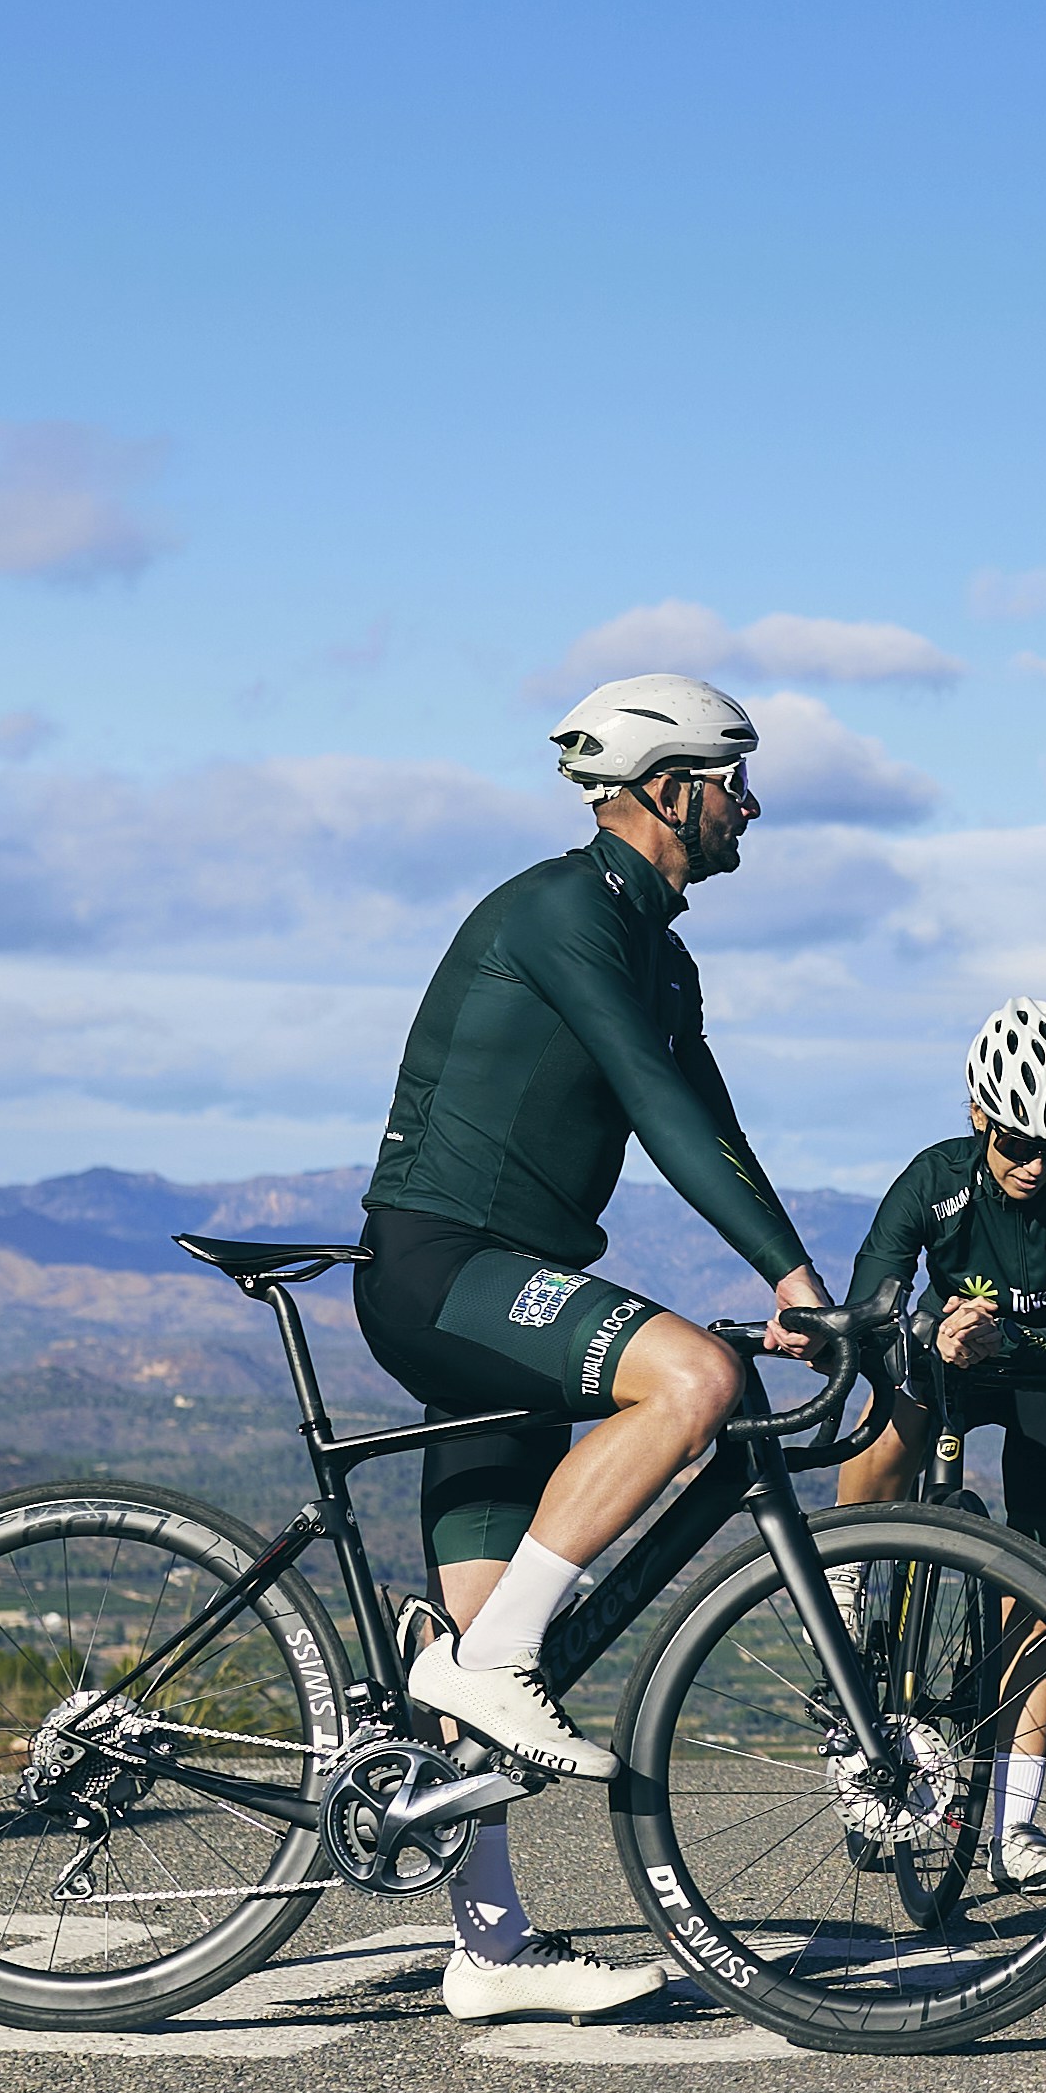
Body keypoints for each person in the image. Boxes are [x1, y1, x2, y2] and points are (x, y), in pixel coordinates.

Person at [353, 670, 835, 2023]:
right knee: (694, 1377)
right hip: (447, 1271)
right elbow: (655, 1111)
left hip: (504, 1280)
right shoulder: (565, 914)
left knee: (485, 1612)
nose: (750, 801)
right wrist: (779, 1285)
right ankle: (488, 1663)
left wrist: (806, 1282)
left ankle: (489, 1947)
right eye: (733, 776)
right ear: (672, 789)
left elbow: (714, 1130)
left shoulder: (659, 950)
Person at [832, 998, 1046, 1892]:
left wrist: (1005, 1337)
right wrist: (926, 1330)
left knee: (1042, 1595)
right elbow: (871, 1300)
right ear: (978, 1116)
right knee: (894, 1408)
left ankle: (1015, 1824)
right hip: (949, 1357)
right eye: (1017, 1143)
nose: (1038, 1165)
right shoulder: (935, 1179)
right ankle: (844, 1576)